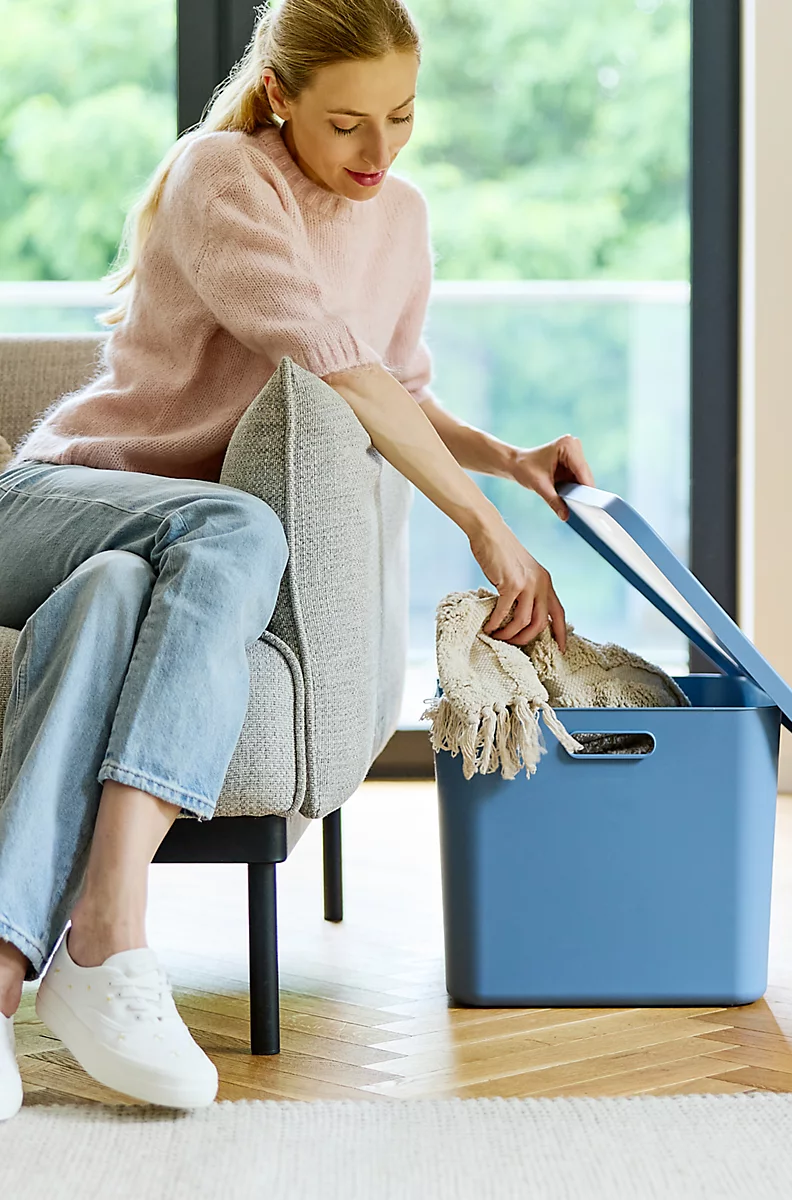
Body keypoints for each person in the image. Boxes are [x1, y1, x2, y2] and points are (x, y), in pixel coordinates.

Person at [0, 0, 594, 1118]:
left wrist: (509, 462)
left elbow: (398, 390)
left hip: (154, 560)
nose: (379, 153)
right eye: (348, 124)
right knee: (238, 525)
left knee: (128, 588)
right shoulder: (223, 175)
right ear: (279, 96)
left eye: (404, 117)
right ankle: (110, 931)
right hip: (40, 506)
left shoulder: (402, 217)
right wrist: (482, 527)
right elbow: (333, 365)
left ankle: (0, 982)